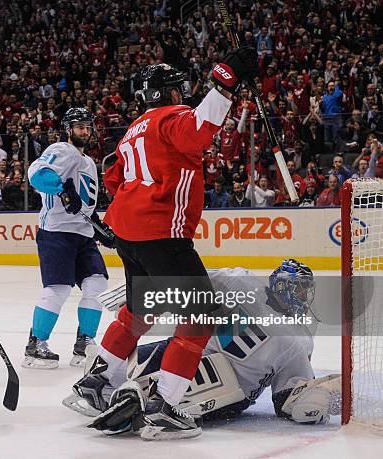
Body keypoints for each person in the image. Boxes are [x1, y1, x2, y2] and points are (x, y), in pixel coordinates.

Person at [72, 48, 258, 441]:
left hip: (129, 232)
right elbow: (197, 130)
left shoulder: (133, 129)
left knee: (141, 308)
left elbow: (113, 178)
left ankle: (93, 384)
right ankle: (165, 407)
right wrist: (226, 83)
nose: (181, 93)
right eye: (177, 88)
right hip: (161, 233)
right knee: (201, 314)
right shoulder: (171, 118)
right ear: (166, 94)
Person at [65, 260, 341, 433]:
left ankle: (138, 399)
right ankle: (126, 394)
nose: (304, 295)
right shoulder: (295, 335)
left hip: (227, 390)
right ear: (282, 287)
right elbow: (287, 399)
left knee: (157, 378)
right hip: (191, 356)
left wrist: (313, 399)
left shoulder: (243, 284)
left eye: (307, 289)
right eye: (300, 288)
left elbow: (288, 396)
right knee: (128, 368)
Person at [23, 107, 114, 370]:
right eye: (78, 126)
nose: (84, 131)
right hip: (56, 232)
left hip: (83, 235)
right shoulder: (63, 150)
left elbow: (85, 204)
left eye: (87, 126)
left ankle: (84, 342)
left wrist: (98, 227)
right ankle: (35, 345)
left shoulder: (88, 163)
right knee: (58, 290)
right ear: (68, 129)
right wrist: (63, 190)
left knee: (96, 284)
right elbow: (37, 173)